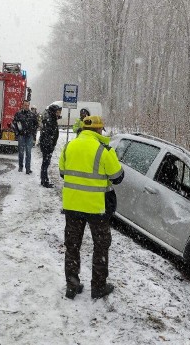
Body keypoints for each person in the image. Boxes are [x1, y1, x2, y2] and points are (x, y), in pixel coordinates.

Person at [58, 115, 124, 300]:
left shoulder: (69, 146)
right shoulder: (103, 150)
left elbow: (63, 173)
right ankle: (98, 287)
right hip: (97, 208)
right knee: (101, 247)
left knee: (72, 246)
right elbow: (118, 176)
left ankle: (72, 285)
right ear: (98, 130)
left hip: (72, 206)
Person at [39, 104, 62, 187]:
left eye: (59, 112)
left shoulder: (52, 119)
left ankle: (44, 180)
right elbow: (47, 135)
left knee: (46, 163)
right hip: (47, 146)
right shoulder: (50, 120)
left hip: (48, 145)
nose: (59, 113)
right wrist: (50, 145)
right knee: (45, 163)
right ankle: (44, 181)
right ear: (53, 112)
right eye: (57, 112)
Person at [13, 100, 38, 174]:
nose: (26, 106)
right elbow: (14, 123)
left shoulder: (32, 115)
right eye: (25, 105)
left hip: (29, 136)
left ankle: (28, 168)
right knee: (21, 152)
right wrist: (17, 132)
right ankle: (20, 167)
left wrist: (33, 132)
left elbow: (36, 125)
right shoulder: (18, 114)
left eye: (28, 105)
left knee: (28, 152)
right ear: (22, 105)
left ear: (29, 106)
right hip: (21, 135)